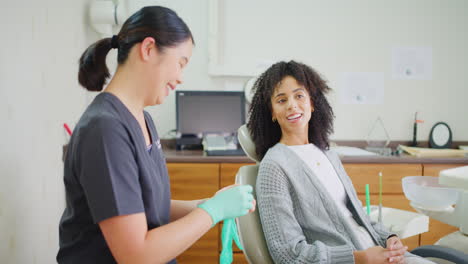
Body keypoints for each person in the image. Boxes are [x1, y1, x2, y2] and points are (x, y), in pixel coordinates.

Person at [57, 6, 255, 264]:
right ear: (148, 49)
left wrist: (209, 204)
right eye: (180, 63)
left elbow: (146, 207)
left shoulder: (143, 119)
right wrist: (212, 212)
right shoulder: (105, 130)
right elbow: (135, 255)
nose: (181, 78)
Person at [247, 60, 434, 264]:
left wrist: (389, 238)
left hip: (380, 253)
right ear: (272, 112)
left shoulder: (328, 155)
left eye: (299, 95)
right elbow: (287, 254)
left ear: (312, 103)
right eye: (281, 100)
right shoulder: (274, 166)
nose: (292, 105)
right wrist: (360, 258)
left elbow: (357, 216)